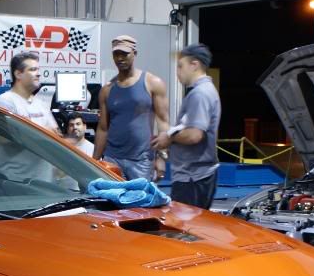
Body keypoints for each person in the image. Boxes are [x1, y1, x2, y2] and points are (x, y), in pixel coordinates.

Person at [151, 43, 221, 210]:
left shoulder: (200, 94)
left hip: (193, 178)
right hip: (196, 176)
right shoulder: (205, 91)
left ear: (194, 65)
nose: (177, 72)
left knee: (185, 224)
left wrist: (168, 138)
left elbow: (194, 135)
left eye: (180, 66)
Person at [93, 34, 169, 181]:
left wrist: (162, 157)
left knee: (140, 196)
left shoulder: (153, 83)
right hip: (112, 158)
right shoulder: (107, 90)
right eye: (116, 54)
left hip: (142, 160)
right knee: (111, 196)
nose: (120, 58)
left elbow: (163, 122)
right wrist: (94, 161)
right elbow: (103, 129)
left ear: (135, 53)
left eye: (124, 54)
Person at [0, 51, 60, 181]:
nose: (38, 73)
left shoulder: (40, 103)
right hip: (17, 181)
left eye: (38, 69)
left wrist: (28, 130)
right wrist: (43, 132)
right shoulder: (5, 101)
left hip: (44, 181)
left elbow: (55, 135)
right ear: (18, 74)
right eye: (33, 70)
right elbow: (4, 137)